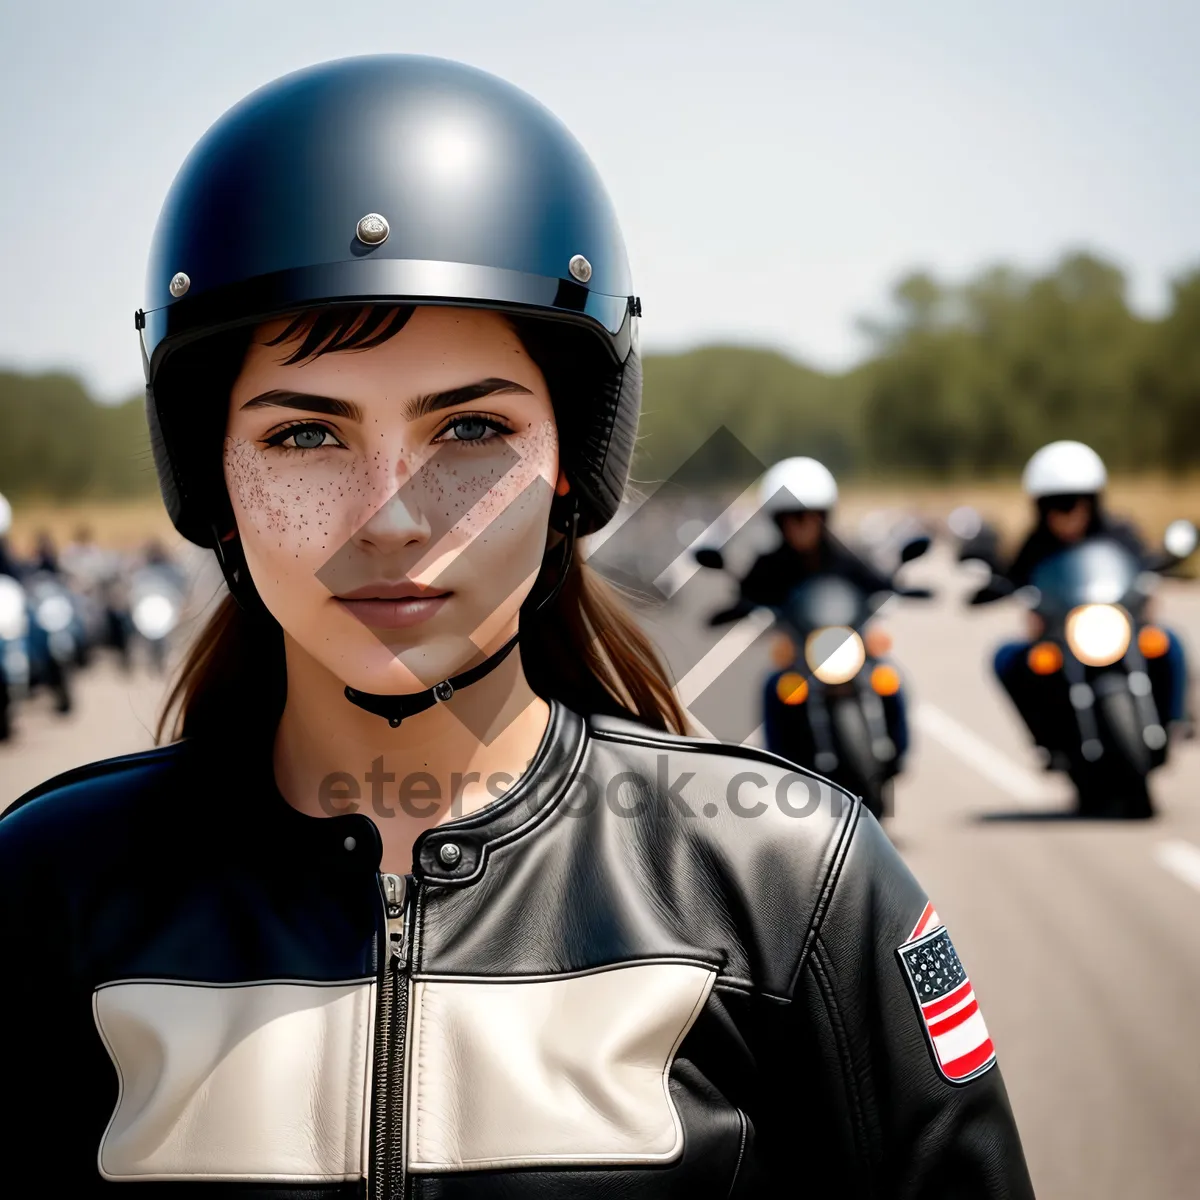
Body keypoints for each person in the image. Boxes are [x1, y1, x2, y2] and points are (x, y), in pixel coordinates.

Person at [0, 56, 1032, 1197]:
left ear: (569, 471)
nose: (389, 521)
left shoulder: (791, 877)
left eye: (471, 431)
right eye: (305, 436)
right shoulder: (48, 886)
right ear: (212, 476)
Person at [988, 440, 1190, 755]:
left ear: (1091, 503)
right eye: (1057, 505)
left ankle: (1176, 719)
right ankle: (1047, 740)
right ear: (1041, 509)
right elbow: (1013, 580)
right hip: (1061, 639)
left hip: (1120, 630)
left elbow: (1146, 566)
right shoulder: (1034, 546)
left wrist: (1150, 591)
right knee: (1006, 659)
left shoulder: (1119, 533)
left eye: (1074, 503)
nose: (1066, 514)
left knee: (1170, 642)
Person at [712, 457, 911, 761]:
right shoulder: (768, 564)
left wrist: (899, 588)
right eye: (792, 518)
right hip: (800, 659)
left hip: (849, 650)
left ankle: (899, 753)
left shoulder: (844, 554)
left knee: (890, 679)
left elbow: (877, 582)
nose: (801, 525)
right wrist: (737, 608)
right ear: (779, 522)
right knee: (774, 688)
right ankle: (781, 765)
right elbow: (746, 593)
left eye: (810, 516)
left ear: (823, 517)